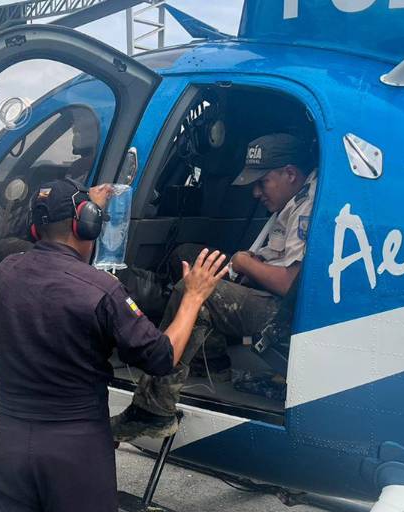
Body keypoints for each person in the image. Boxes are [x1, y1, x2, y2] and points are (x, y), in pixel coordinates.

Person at [0, 178, 228, 512]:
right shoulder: (102, 292)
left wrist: (84, 207)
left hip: (9, 444)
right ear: (87, 226)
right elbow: (161, 357)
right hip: (75, 452)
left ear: (37, 228)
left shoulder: (9, 272)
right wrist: (192, 298)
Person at [111, 133, 317, 441]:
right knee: (188, 255)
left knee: (192, 292)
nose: (256, 192)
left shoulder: (307, 204)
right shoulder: (294, 197)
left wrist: (247, 265)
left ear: (290, 173)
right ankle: (213, 360)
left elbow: (290, 284)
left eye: (262, 183)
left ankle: (152, 408)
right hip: (270, 290)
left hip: (287, 312)